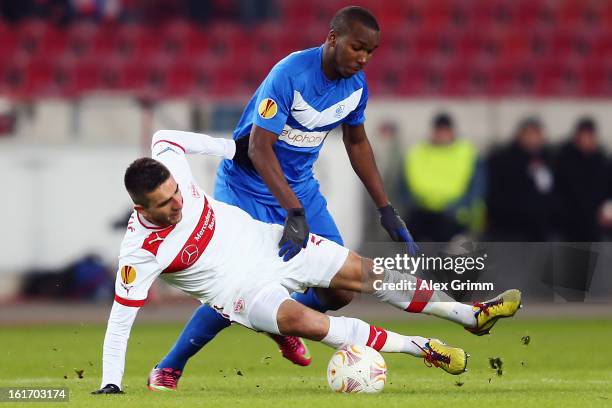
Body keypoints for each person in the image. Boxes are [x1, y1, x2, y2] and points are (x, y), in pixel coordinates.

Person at [92, 130, 522, 394]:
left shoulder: (170, 169)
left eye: (176, 194)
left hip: (271, 243)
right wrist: (111, 382)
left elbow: (167, 138)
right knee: (314, 325)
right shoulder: (140, 253)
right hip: (243, 294)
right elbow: (119, 321)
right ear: (140, 206)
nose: (178, 205)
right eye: (165, 205)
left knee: (366, 274)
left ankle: (472, 315)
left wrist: (231, 148)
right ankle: (422, 348)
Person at [149, 6, 418, 389]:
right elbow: (260, 149)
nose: (363, 58)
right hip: (247, 185)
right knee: (238, 285)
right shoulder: (289, 74)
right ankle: (169, 366)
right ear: (332, 39)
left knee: (341, 286)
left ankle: (280, 322)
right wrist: (293, 211)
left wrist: (385, 209)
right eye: (358, 47)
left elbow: (357, 143)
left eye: (370, 52)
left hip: (300, 188)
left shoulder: (356, 86)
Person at [401, 112, 486, 242]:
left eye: (445, 131)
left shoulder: (468, 153)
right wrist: (412, 204)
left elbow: (476, 189)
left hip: (456, 215)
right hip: (421, 213)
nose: (442, 135)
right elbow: (403, 186)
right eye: (439, 131)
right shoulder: (417, 153)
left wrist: (461, 207)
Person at [486, 117, 555, 241]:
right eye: (528, 134)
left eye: (535, 134)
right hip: (510, 229)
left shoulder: (550, 160)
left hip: (542, 230)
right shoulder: (503, 160)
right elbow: (497, 195)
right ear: (520, 135)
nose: (532, 139)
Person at [554, 117, 612, 242]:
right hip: (570, 226)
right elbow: (565, 192)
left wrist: (607, 209)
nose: (586, 140)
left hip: (596, 227)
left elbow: (606, 189)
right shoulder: (565, 160)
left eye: (590, 136)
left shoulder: (601, 160)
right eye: (583, 136)